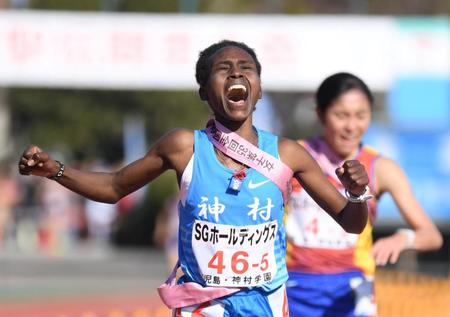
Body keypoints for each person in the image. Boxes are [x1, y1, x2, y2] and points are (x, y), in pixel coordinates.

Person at [19, 40, 371, 317]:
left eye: (246, 69)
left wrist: (357, 193)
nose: (236, 74)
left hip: (266, 303)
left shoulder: (287, 153)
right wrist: (56, 171)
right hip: (202, 304)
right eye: (224, 69)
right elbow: (114, 187)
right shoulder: (183, 147)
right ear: (204, 91)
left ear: (259, 89)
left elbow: (351, 222)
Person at [285, 72, 443, 317]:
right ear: (320, 114)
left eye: (361, 115)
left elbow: (431, 236)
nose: (352, 126)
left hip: (353, 290)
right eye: (341, 115)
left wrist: (402, 239)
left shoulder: (381, 168)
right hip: (293, 287)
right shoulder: (293, 156)